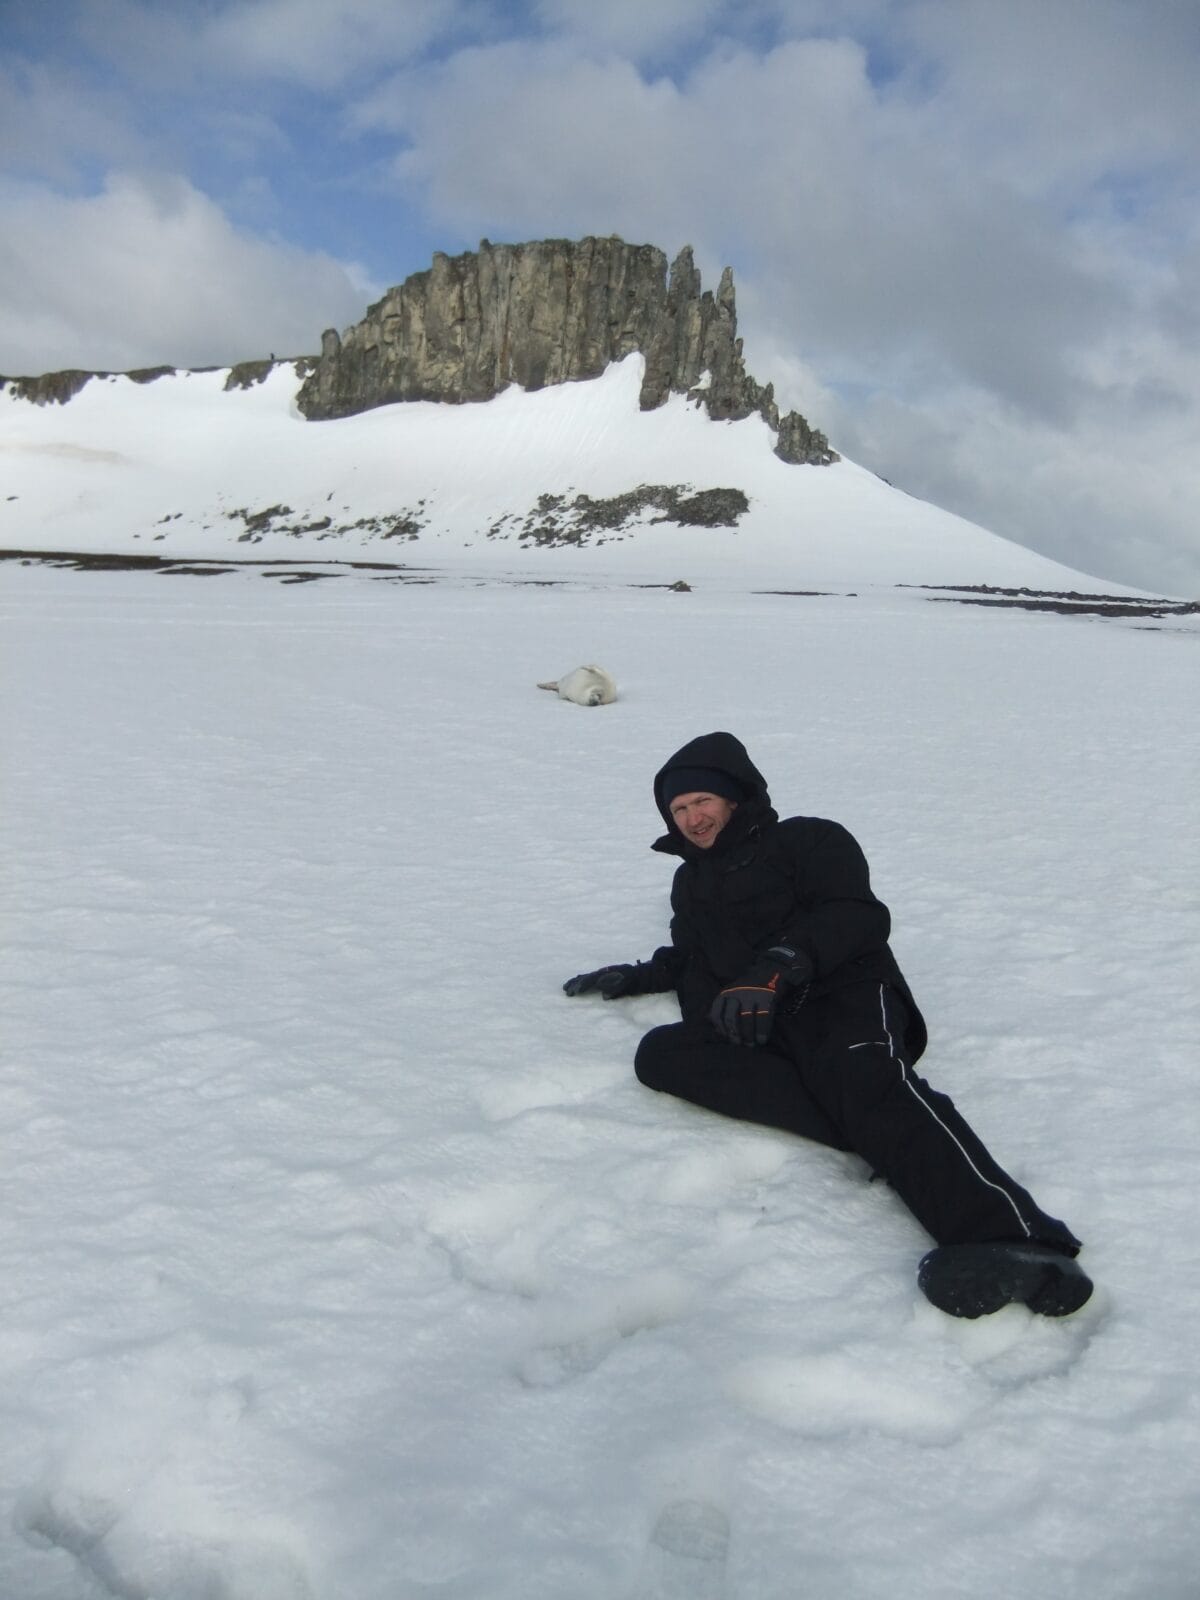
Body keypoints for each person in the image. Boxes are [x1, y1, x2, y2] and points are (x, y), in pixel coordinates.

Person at [564, 731, 1092, 1319]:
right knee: (661, 1055)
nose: (691, 817)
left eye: (701, 802)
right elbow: (691, 958)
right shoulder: (690, 883)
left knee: (858, 1074)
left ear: (734, 797)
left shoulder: (809, 839)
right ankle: (882, 1130)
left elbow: (855, 914)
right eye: (678, 809)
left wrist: (777, 967)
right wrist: (635, 977)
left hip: (842, 994)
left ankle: (1023, 1244)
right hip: (754, 1019)